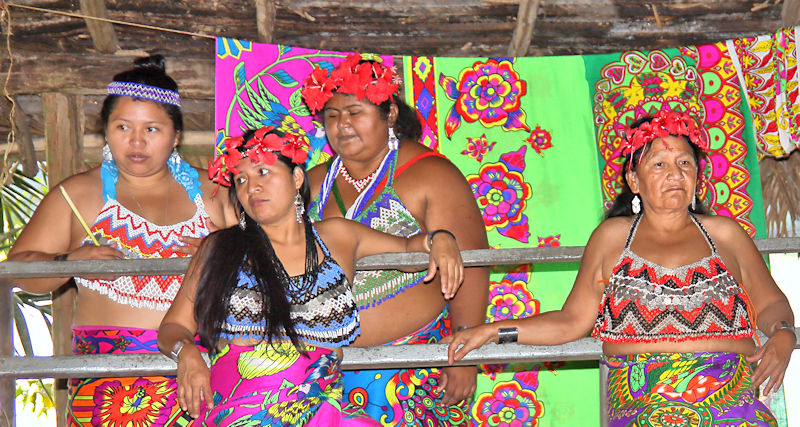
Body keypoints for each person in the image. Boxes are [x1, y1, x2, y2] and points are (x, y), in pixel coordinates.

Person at [445, 110, 796, 426]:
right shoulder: (613, 239)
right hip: (639, 411)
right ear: (633, 181)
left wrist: (782, 333)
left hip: (731, 410)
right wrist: (493, 331)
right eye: (659, 164)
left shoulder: (726, 234)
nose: (674, 173)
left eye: (685, 163)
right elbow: (571, 322)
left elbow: (771, 304)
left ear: (697, 176)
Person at [157, 126, 464, 426]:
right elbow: (173, 327)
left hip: (321, 414)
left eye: (263, 172)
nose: (252, 188)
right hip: (234, 413)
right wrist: (187, 354)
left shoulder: (337, 236)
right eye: (241, 179)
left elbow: (409, 251)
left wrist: (441, 239)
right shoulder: (219, 248)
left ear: (297, 177)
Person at [6, 55, 236, 426]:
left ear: (176, 135)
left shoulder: (214, 194)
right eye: (123, 126)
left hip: (197, 377)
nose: (136, 141)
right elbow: (18, 272)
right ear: (105, 130)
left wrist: (224, 254)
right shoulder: (77, 194)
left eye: (152, 129)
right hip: (105, 382)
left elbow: (267, 267)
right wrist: (70, 261)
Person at [300, 53, 489, 425]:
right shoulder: (312, 181)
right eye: (333, 116)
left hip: (413, 368)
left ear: (388, 115)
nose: (343, 126)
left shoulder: (431, 174)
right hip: (325, 373)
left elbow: (472, 264)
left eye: (355, 113)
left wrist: (464, 352)